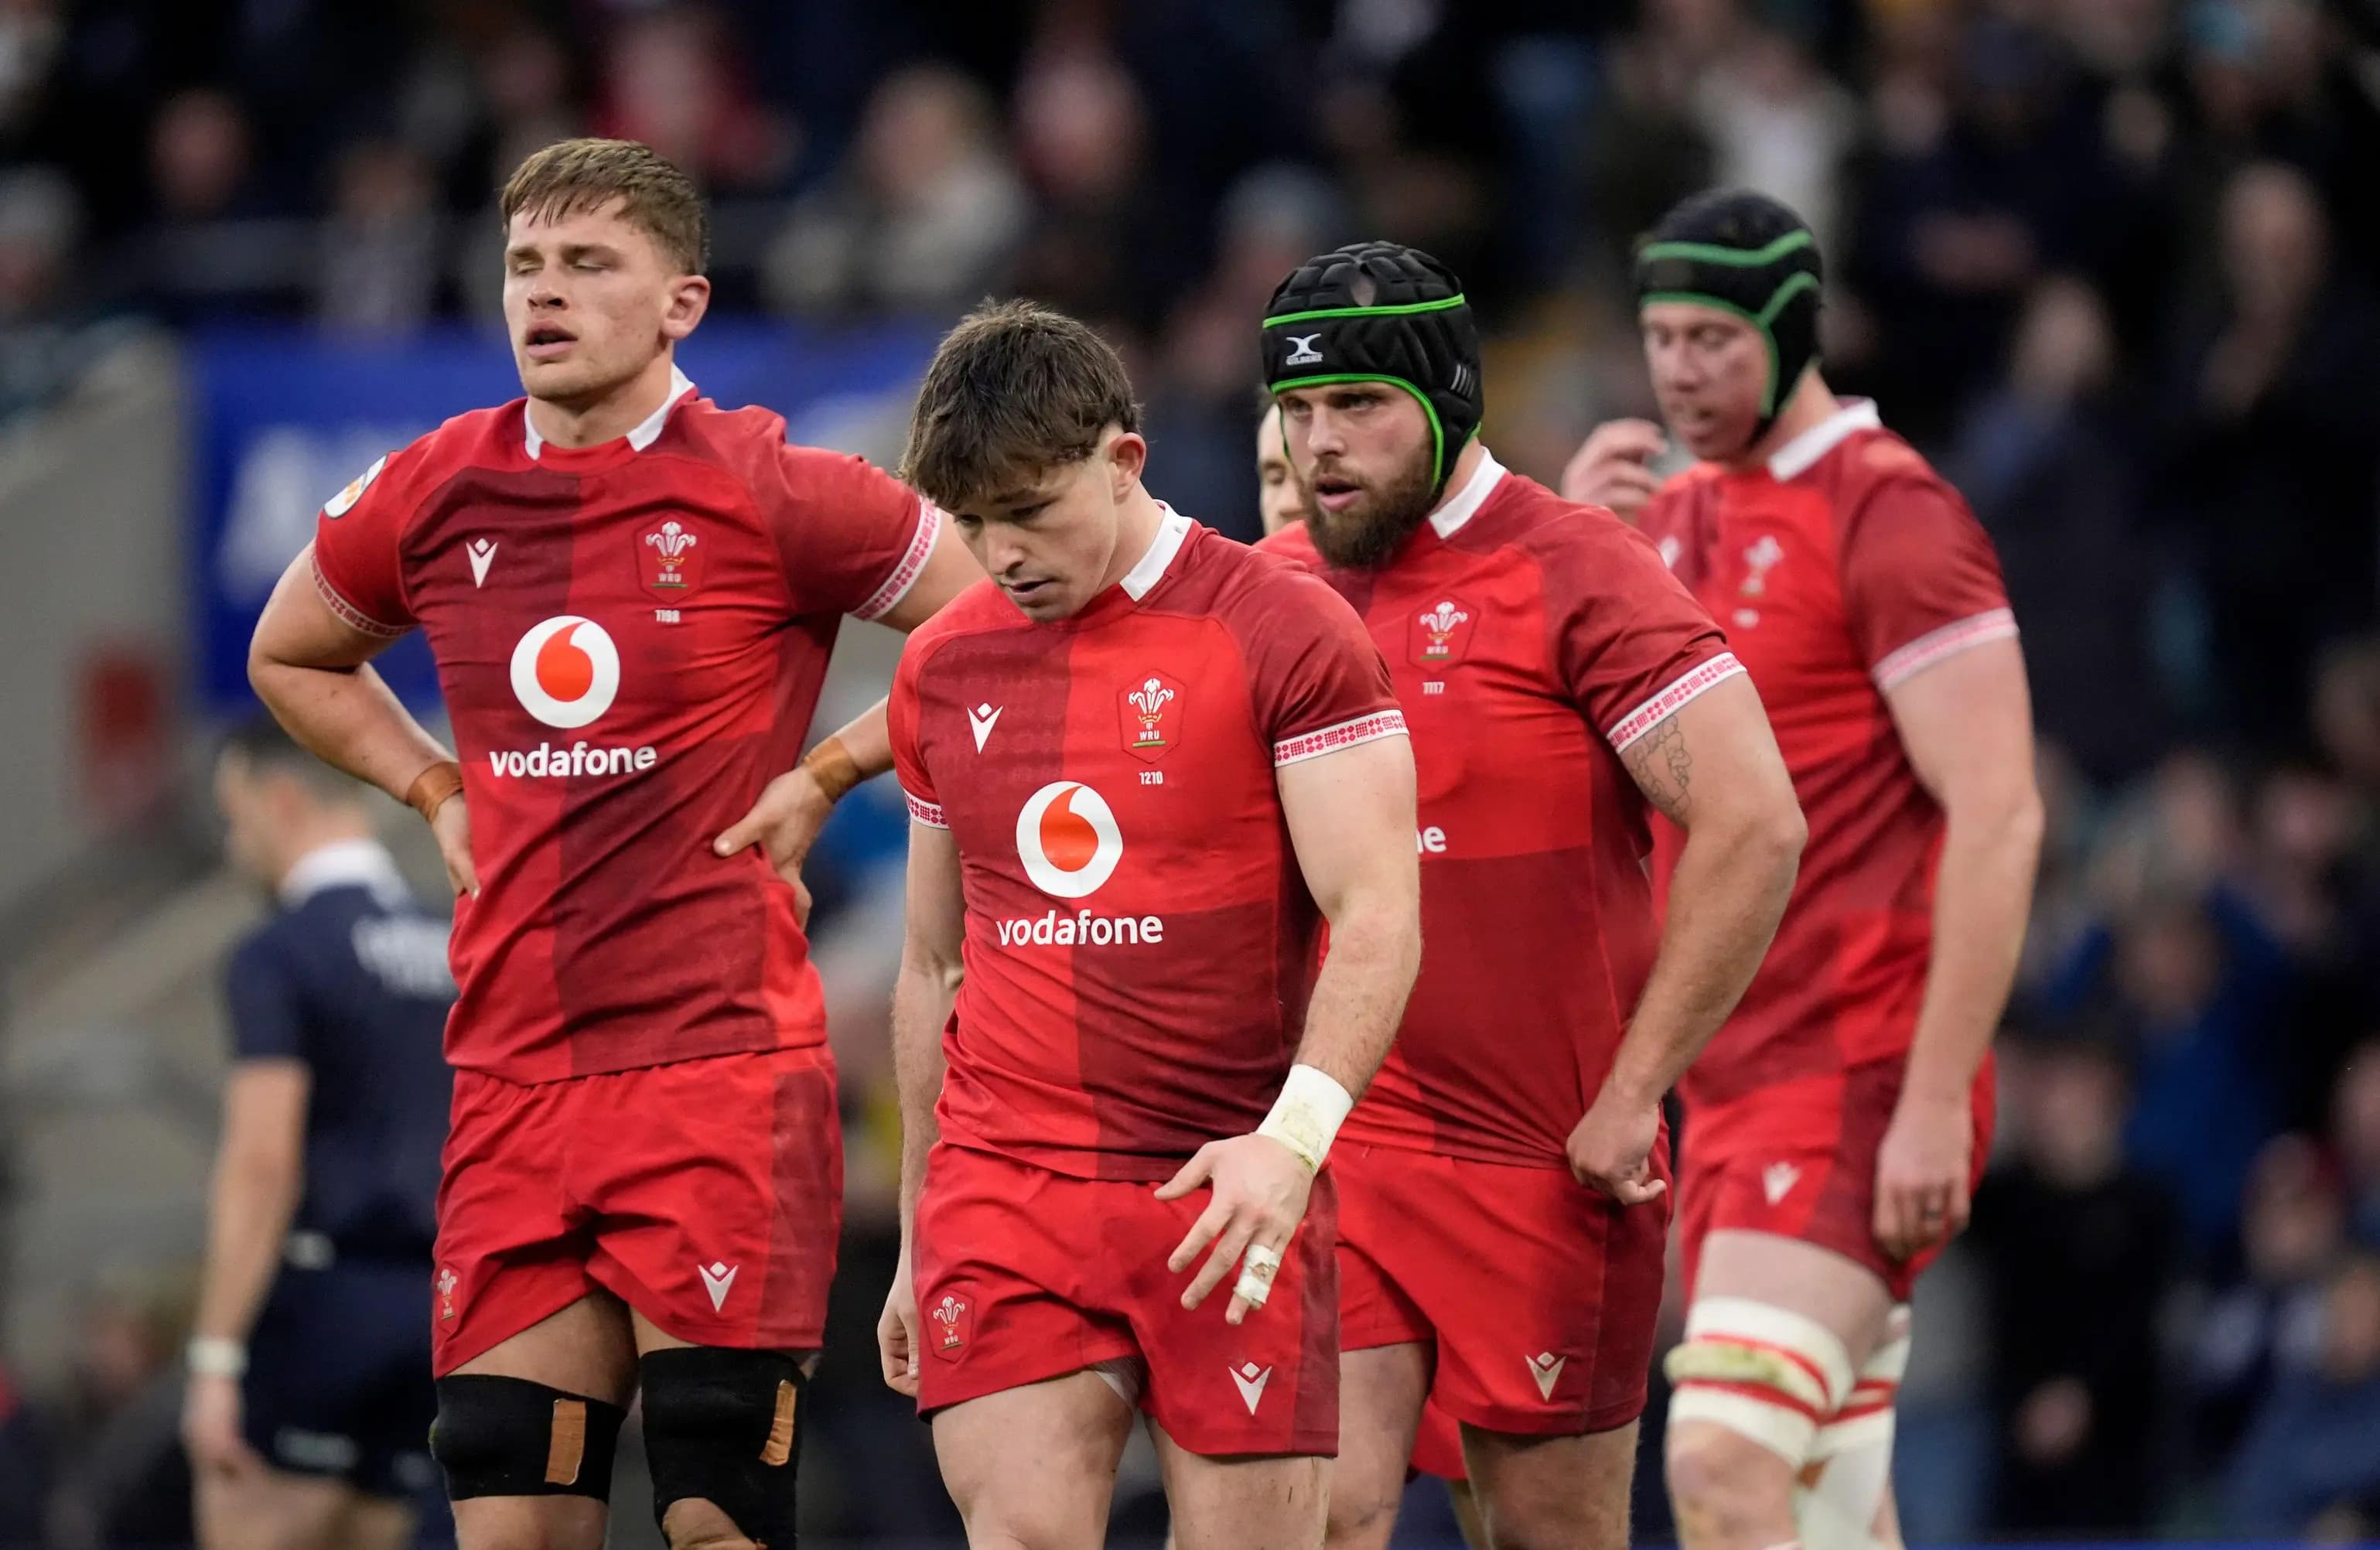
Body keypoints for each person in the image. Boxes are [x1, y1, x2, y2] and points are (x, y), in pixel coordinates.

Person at [245, 137, 980, 1550]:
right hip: (509, 1079)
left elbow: (990, 626)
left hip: (713, 1076)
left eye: (589, 264)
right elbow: (294, 651)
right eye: (526, 263)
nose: (546, 293)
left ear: (680, 304)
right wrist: (429, 787)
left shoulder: (773, 483)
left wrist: (830, 765)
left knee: (714, 1520)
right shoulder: (437, 485)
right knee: (512, 1526)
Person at [1255, 241, 1807, 1550]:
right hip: (1346, 1141)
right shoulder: (1272, 589)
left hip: (1546, 1164)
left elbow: (1754, 821)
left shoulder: (1576, 568)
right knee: (1321, 1513)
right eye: (1296, 410)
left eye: (1359, 407)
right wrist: (838, 764)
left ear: (1449, 401)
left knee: (1544, 1530)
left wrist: (1635, 1087)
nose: (1319, 444)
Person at [874, 299, 1422, 1550]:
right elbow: (928, 960)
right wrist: (917, 1232)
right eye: (972, 523)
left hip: (1224, 1185)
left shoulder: (1282, 629)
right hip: (1006, 1183)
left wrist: (1290, 1147)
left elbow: (1379, 912)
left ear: (1123, 460)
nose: (1001, 551)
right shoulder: (941, 667)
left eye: (1029, 510)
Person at [1563, 189, 2043, 1550]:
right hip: (1714, 1087)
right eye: (1660, 336)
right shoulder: (1662, 515)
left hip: (1853, 1070)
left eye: (1713, 336)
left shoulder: (1891, 514)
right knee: (1828, 1507)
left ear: (1789, 327)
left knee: (1716, 1458)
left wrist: (1937, 1094)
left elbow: (2000, 813)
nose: (1678, 370)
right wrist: (1569, 543)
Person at [1255, 392, 1480, 1550]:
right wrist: (840, 765)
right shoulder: (1232, 631)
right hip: (1317, 1143)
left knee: (1514, 1509)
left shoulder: (1484, 611)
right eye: (1269, 473)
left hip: (1500, 1139)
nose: (1293, 490)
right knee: (1329, 1512)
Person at [183, 715, 456, 1550]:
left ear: (284, 800)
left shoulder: (281, 955)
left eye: (235, 817)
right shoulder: (451, 944)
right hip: (437, 1313)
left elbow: (262, 1163)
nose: (236, 844)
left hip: (320, 1309)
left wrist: (217, 1358)